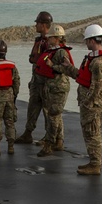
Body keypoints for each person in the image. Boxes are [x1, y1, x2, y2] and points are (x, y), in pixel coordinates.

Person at [67, 23, 102, 175]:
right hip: (90, 102)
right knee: (89, 132)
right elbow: (82, 77)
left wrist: (86, 102)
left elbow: (96, 87)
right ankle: (93, 161)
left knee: (93, 132)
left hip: (92, 104)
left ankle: (95, 164)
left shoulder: (98, 62)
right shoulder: (93, 59)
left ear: (92, 40)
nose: (86, 43)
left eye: (87, 40)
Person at [34, 24, 75, 157]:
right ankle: (58, 141)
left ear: (56, 38)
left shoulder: (61, 52)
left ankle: (49, 145)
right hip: (53, 87)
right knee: (55, 115)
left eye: (50, 37)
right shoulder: (55, 51)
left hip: (59, 88)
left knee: (53, 116)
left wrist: (52, 66)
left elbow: (67, 68)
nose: (48, 39)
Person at [15, 10, 54, 144]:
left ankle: (52, 137)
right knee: (33, 106)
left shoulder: (50, 42)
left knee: (48, 110)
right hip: (37, 79)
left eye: (37, 22)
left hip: (46, 81)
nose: (36, 25)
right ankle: (28, 133)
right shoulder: (41, 40)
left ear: (43, 25)